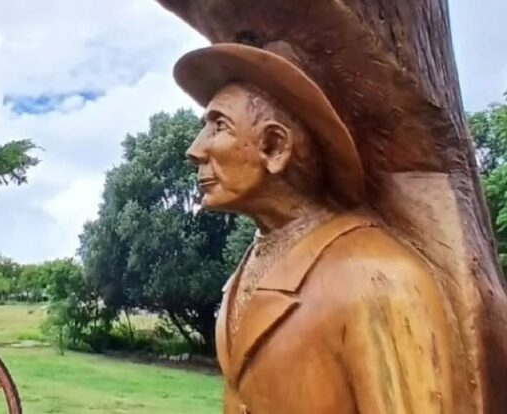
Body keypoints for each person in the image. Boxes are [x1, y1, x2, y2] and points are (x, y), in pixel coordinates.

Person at [175, 43, 471, 413]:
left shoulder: (377, 276)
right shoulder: (246, 269)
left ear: (274, 147)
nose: (195, 149)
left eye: (218, 125)